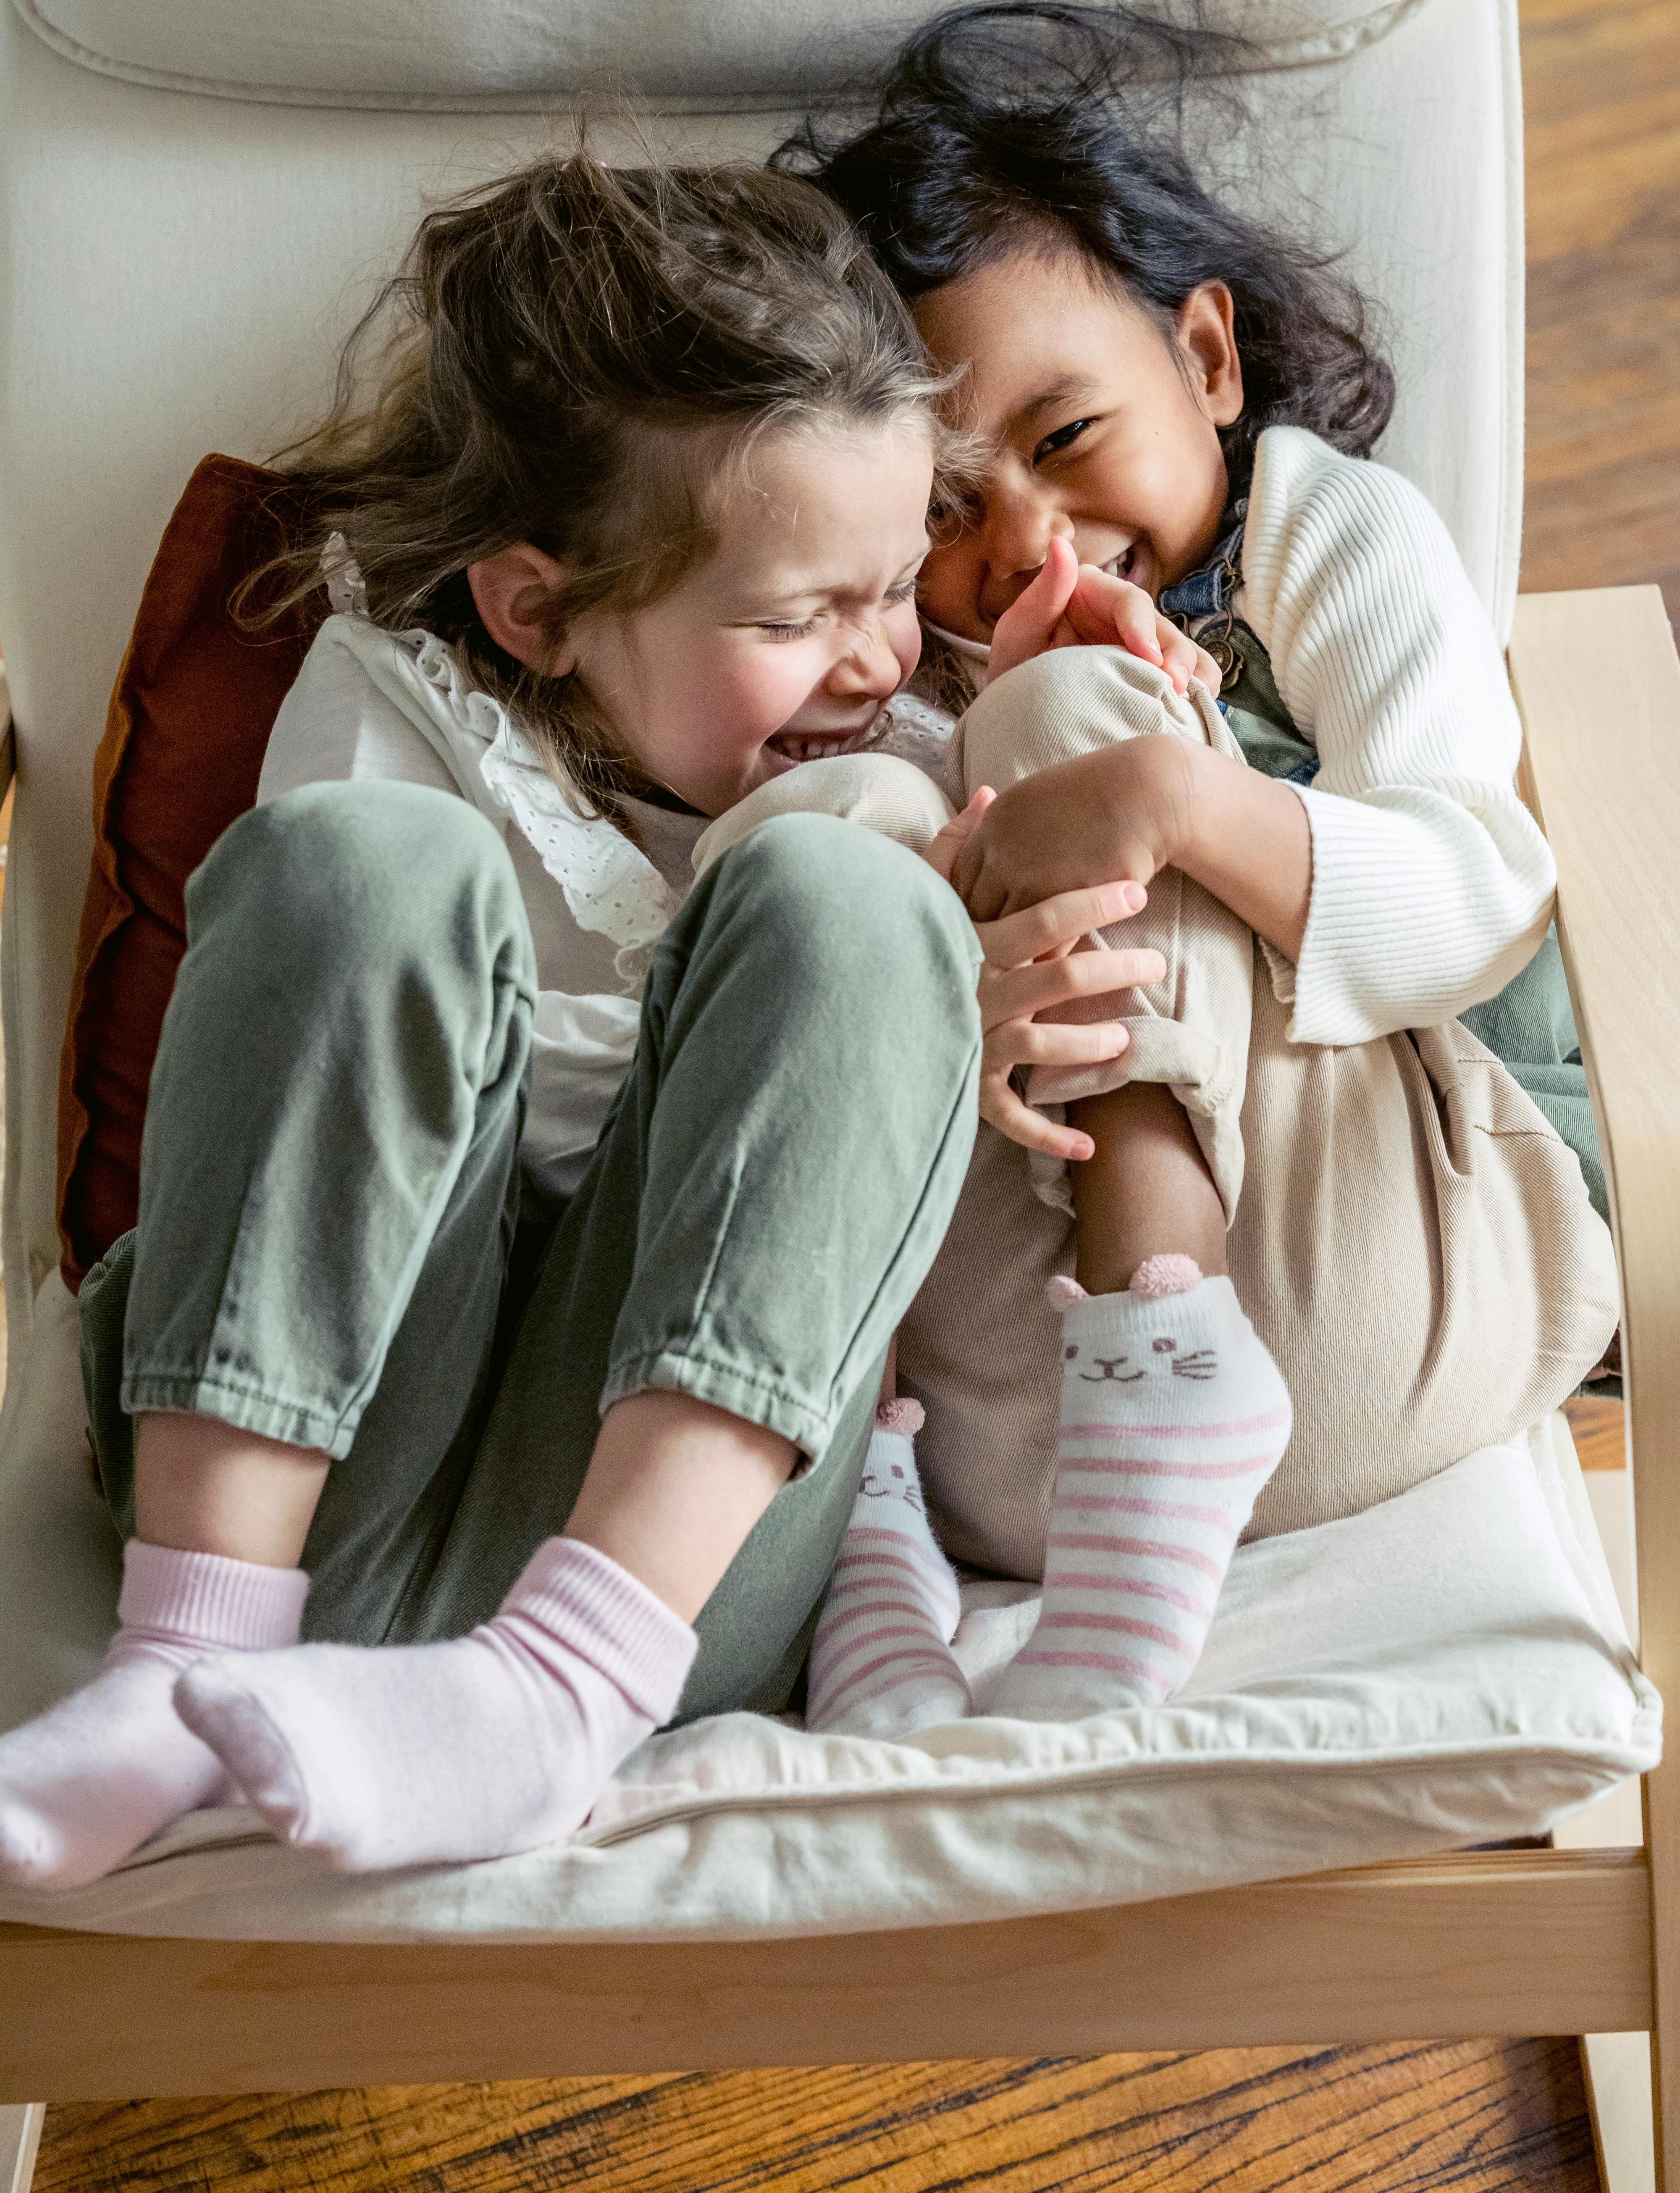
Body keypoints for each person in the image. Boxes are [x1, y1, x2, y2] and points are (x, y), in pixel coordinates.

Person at [0, 154, 1171, 1887]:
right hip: (313, 1481)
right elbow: (352, 1092)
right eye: (791, 617)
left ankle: (546, 1697)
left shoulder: (927, 733)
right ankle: (181, 1670)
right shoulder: (393, 689)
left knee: (856, 901)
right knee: (349, 863)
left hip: (661, 1570)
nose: (870, 658)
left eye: (889, 573)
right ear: (534, 607)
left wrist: (940, 1004)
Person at [779, 0, 1619, 1722]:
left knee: (1082, 712)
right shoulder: (892, 670)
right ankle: (866, 1539)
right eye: (942, 504)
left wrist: (1168, 795)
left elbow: (1476, 896)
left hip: (1392, 1275)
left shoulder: (1323, 538)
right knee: (831, 843)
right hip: (1014, 1448)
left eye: (1066, 437)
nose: (1024, 534)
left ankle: (1168, 1331)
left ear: (1211, 363)